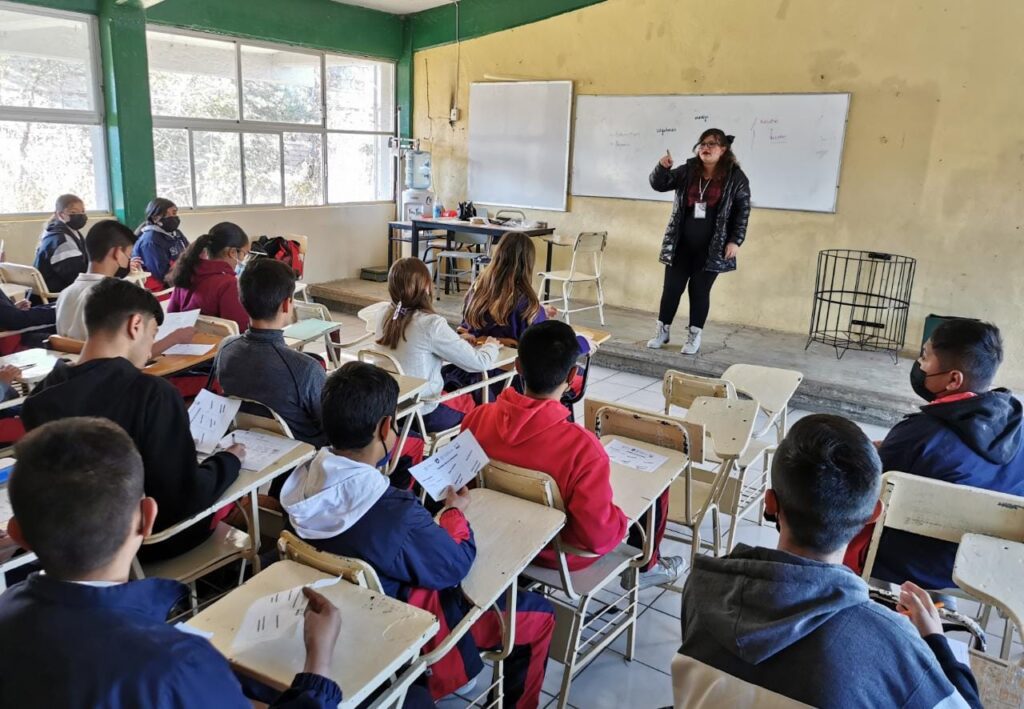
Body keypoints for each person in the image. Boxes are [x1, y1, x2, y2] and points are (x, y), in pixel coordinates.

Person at [0, 417, 343, 708]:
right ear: (147, 518)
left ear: (17, 534)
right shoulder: (176, 666)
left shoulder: (7, 611)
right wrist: (319, 664)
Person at [280, 361, 554, 708]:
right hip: (404, 623)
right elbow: (454, 565)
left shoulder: (299, 485)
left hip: (337, 616)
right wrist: (454, 513)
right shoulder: (394, 514)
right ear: (385, 427)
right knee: (540, 615)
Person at [675, 414, 980, 709]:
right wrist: (936, 641)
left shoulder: (702, 587)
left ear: (770, 503)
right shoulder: (893, 641)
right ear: (874, 515)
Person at [22, 277, 243, 561]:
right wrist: (228, 460)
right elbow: (182, 499)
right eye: (153, 334)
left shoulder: (40, 396)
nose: (150, 347)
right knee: (236, 493)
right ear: (135, 325)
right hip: (149, 543)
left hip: (72, 546)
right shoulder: (152, 395)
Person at [462, 320, 684, 589]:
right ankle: (648, 567)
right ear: (572, 377)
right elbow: (597, 538)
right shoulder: (583, 448)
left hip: (495, 535)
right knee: (653, 490)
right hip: (555, 555)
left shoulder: (477, 419)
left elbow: (463, 488)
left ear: (518, 366)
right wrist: (620, 520)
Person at [869, 319, 1024, 590]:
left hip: (910, 562)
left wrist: (870, 453)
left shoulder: (917, 433)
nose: (919, 364)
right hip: (981, 565)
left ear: (954, 379)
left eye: (925, 356)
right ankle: (941, 599)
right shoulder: (1017, 427)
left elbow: (868, 490)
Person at [361, 258, 501, 433]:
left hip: (391, 408)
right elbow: (480, 362)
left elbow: (415, 345)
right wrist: (491, 345)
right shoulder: (431, 324)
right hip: (425, 412)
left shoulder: (384, 313)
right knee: (480, 408)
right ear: (426, 286)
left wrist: (455, 340)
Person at [647, 128, 751, 355]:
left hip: (712, 248)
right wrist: (662, 168)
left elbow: (742, 211)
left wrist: (735, 240)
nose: (706, 147)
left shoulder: (735, 177)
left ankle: (694, 336)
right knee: (672, 288)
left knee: (699, 291)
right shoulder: (688, 170)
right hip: (681, 243)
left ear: (723, 149)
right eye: (703, 143)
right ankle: (662, 332)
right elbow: (659, 184)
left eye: (712, 144)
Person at [215, 258, 327, 447]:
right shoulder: (306, 369)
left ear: (242, 300)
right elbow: (328, 422)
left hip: (243, 442)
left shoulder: (226, 348)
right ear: (286, 304)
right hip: (301, 451)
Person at [55, 219, 194, 352]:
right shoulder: (116, 295)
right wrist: (174, 339)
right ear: (117, 253)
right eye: (129, 255)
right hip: (114, 366)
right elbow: (134, 354)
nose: (129, 261)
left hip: (76, 366)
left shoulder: (65, 293)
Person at [168, 221, 250, 332]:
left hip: (185, 339)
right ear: (233, 252)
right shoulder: (229, 284)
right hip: (218, 342)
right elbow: (241, 329)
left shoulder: (185, 273)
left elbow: (171, 314)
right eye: (244, 254)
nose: (243, 260)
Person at [33, 193, 89, 293]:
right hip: (56, 296)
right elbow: (77, 277)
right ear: (60, 214)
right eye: (73, 212)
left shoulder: (62, 232)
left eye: (83, 211)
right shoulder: (62, 241)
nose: (80, 215)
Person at [133, 197, 190, 291]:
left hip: (179, 278)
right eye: (171, 214)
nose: (174, 217)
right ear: (155, 218)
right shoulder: (150, 241)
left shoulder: (176, 233)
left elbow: (190, 252)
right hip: (164, 288)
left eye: (175, 213)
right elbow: (162, 275)